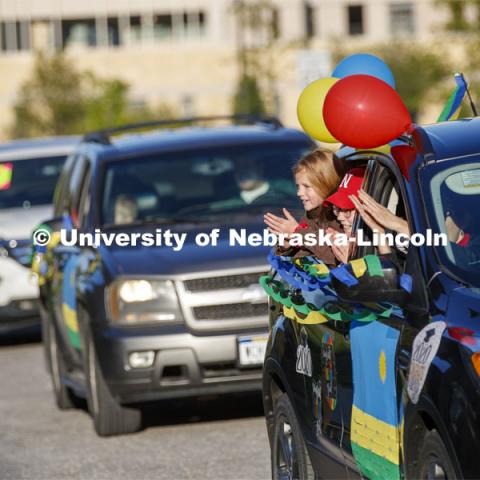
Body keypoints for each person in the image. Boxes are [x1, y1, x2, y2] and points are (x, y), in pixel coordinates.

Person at [264, 148, 346, 266]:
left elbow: (334, 258)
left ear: (327, 183)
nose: (299, 193)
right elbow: (303, 254)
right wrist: (286, 245)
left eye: (306, 186)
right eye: (298, 186)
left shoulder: (340, 217)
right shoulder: (312, 214)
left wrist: (298, 233)